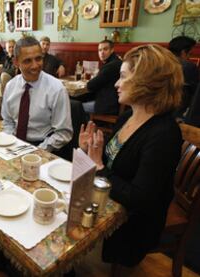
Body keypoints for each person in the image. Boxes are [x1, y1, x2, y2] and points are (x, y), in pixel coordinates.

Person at [79, 44, 183, 267]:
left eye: (123, 77)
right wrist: (90, 152)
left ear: (148, 83)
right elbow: (113, 162)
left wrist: (98, 166)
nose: (116, 84)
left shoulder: (164, 134)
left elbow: (140, 200)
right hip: (111, 203)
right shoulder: (128, 117)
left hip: (135, 224)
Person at [1, 37, 73, 152]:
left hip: (44, 145)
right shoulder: (10, 87)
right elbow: (8, 121)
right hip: (15, 144)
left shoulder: (57, 89)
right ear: (16, 62)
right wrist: (12, 144)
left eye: (38, 59)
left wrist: (38, 151)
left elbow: (63, 132)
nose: (35, 66)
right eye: (27, 61)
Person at [83, 39, 122, 115]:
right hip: (115, 103)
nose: (102, 52)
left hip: (108, 107)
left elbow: (90, 86)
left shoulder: (110, 66)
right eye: (99, 50)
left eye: (105, 49)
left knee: (77, 106)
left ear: (112, 50)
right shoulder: (117, 61)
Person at [169, 35, 199, 116]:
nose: (190, 57)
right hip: (179, 114)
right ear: (183, 52)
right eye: (190, 54)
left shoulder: (157, 63)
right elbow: (196, 94)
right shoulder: (188, 67)